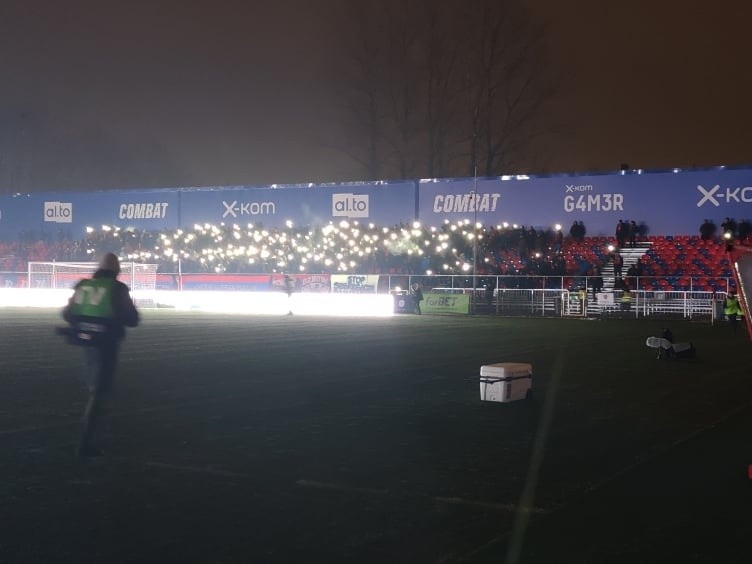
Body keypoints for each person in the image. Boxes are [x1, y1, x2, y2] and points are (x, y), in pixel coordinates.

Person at [62, 253, 140, 459]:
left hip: (86, 342)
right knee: (99, 393)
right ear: (117, 271)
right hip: (107, 344)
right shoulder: (117, 289)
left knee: (95, 389)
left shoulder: (83, 285)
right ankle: (85, 443)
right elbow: (132, 319)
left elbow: (67, 314)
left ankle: (89, 438)